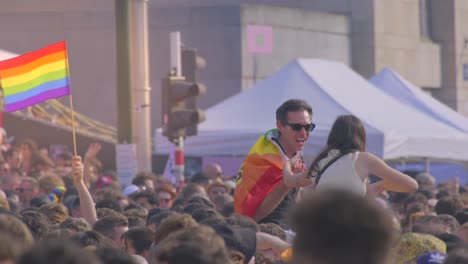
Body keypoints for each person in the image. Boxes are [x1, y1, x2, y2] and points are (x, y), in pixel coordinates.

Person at [283, 114, 418, 197]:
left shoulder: (321, 159)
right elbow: (411, 185)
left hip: (321, 228)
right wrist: (379, 186)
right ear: (360, 136)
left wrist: (287, 164)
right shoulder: (364, 159)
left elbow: (291, 181)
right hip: (350, 229)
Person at [234, 99, 314, 228]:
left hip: (289, 233)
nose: (304, 133)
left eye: (308, 127)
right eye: (296, 127)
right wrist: (287, 183)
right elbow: (252, 215)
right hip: (264, 237)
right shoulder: (263, 159)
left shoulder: (296, 152)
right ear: (280, 125)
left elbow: (293, 198)